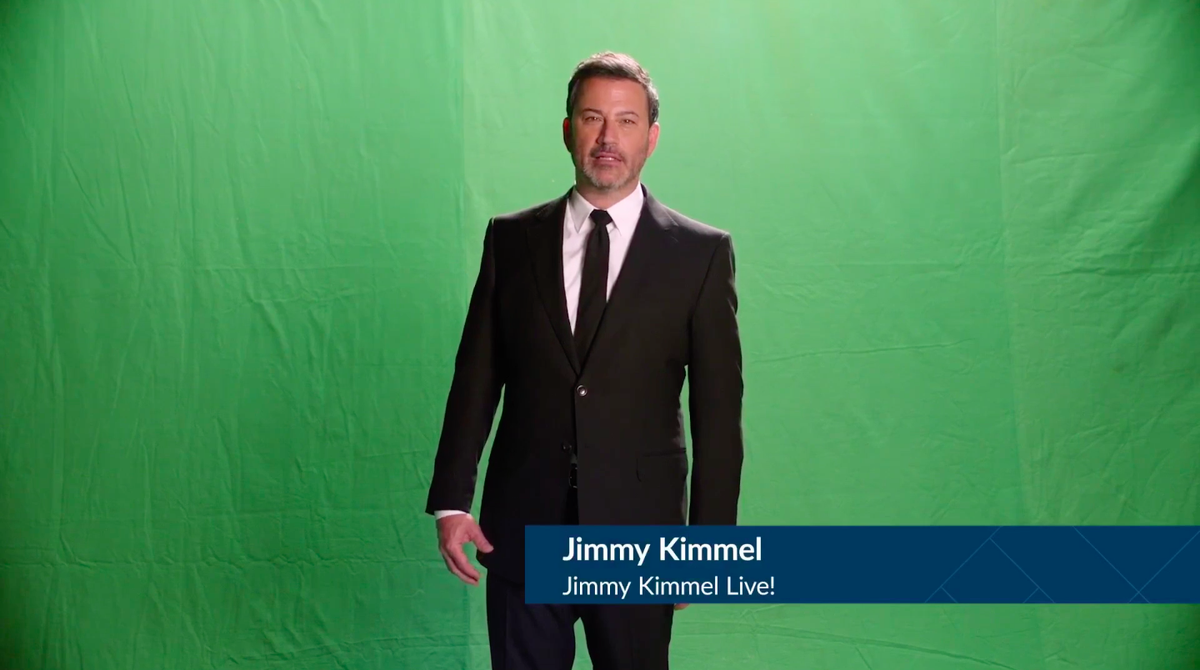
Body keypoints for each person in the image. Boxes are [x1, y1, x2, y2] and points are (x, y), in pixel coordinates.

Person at [424, 51, 744, 670]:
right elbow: (476, 379)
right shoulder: (511, 241)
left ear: (651, 137)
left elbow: (718, 412)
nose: (607, 138)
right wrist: (453, 501)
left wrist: (709, 542)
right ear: (567, 129)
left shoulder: (700, 255)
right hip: (524, 526)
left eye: (625, 122)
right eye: (592, 118)